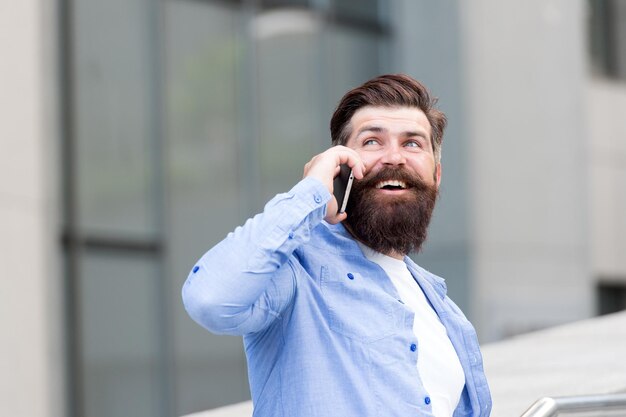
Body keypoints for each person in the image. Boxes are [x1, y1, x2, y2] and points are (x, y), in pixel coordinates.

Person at [182, 74, 492, 417]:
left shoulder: (447, 313)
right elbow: (210, 299)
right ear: (340, 164)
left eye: (413, 143)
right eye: (372, 141)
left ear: (436, 175)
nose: (394, 157)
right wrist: (311, 192)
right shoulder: (297, 269)